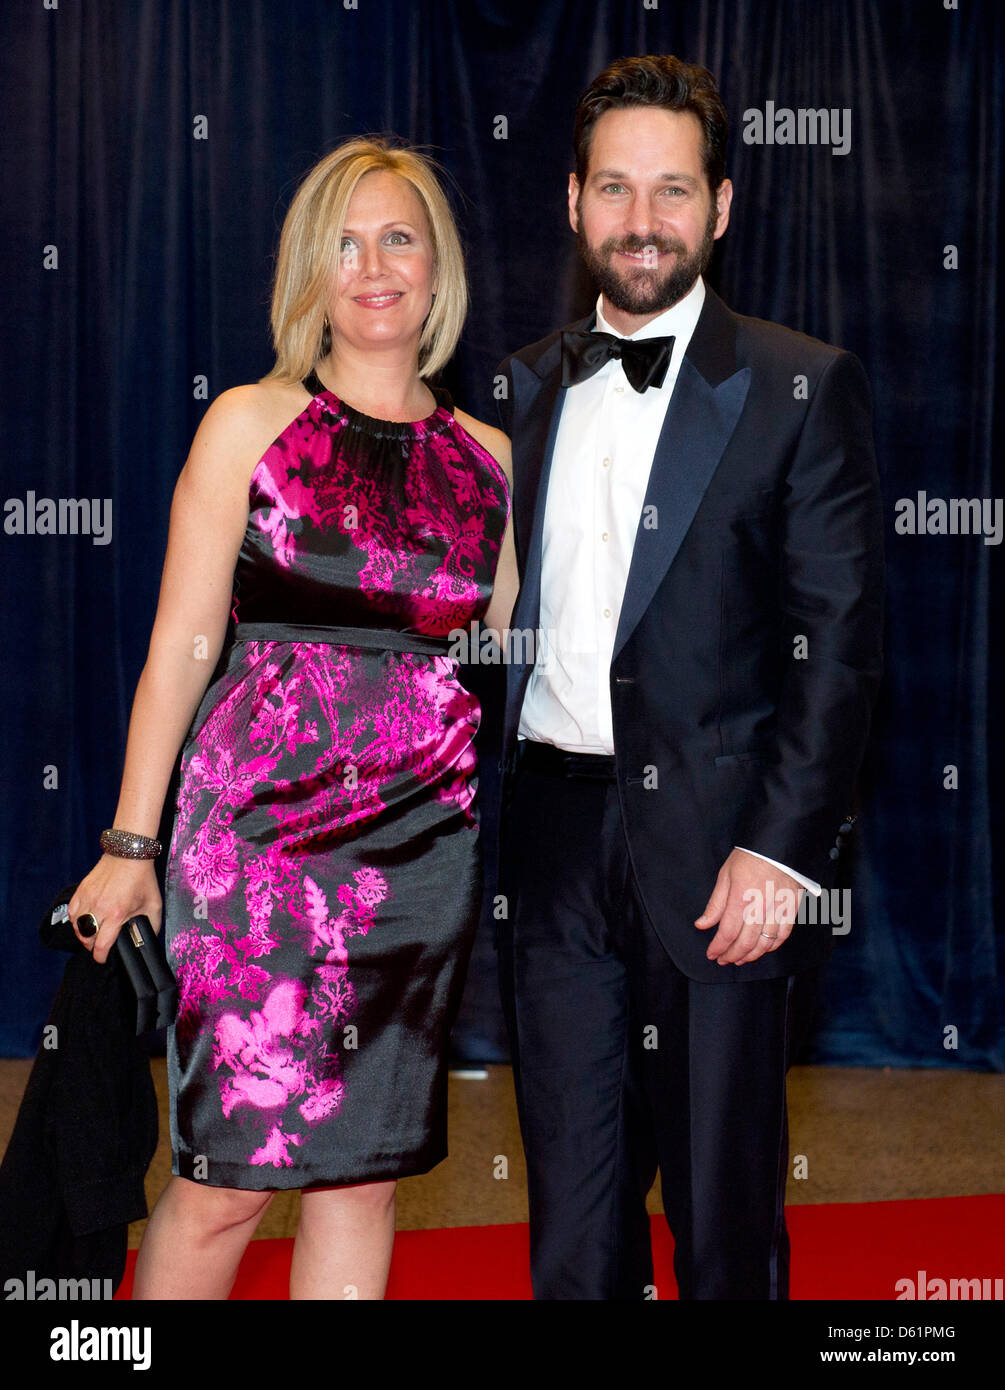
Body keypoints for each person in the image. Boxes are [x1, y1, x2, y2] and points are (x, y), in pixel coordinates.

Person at [67, 136, 517, 1300]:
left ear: (437, 268)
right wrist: (129, 845)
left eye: (398, 238)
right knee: (229, 1179)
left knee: (363, 1177)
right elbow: (181, 647)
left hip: (421, 860)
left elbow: (504, 645)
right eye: (345, 244)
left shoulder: (492, 462)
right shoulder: (249, 428)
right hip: (255, 849)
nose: (373, 267)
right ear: (309, 274)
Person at [494, 54, 884, 1300]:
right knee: (573, 1225)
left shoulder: (799, 384)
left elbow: (843, 639)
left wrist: (780, 851)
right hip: (552, 842)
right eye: (616, 189)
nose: (642, 220)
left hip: (724, 852)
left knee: (725, 1228)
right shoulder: (523, 386)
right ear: (572, 203)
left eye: (672, 190)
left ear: (720, 207)